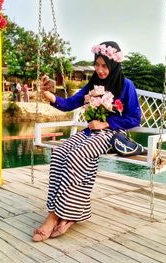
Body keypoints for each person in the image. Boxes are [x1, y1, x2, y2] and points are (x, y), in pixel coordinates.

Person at [32, 41, 141, 242]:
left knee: (76, 155)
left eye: (104, 65)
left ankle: (54, 216)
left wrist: (106, 122)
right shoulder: (92, 84)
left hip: (112, 134)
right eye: (96, 65)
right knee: (59, 152)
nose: (99, 70)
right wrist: (50, 97)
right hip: (90, 133)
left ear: (114, 64)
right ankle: (70, 212)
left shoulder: (126, 86)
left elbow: (135, 118)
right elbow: (69, 104)